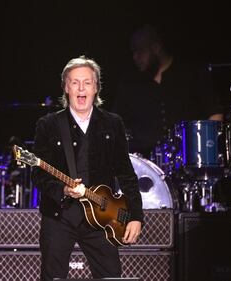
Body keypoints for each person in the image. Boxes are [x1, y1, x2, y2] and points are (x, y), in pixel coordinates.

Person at [32, 55, 144, 280]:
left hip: (102, 217)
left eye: (87, 82)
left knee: (111, 276)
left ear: (96, 88)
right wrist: (62, 190)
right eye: (74, 82)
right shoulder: (48, 125)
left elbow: (126, 172)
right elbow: (38, 174)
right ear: (66, 88)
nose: (81, 88)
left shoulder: (113, 123)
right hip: (59, 216)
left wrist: (136, 216)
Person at [113, 24, 224, 159]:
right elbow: (115, 123)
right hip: (146, 166)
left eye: (140, 52)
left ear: (156, 48)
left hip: (189, 161)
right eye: (133, 52)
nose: (135, 57)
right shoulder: (130, 83)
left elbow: (215, 114)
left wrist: (205, 152)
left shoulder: (191, 73)